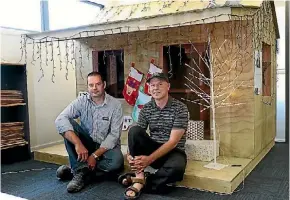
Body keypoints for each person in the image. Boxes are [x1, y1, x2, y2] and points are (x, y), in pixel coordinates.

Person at [119, 72, 189, 199]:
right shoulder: (146, 108)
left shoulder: (180, 108)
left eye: (160, 84)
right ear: (149, 88)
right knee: (134, 130)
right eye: (152, 85)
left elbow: (173, 142)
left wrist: (149, 159)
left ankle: (141, 182)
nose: (156, 88)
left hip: (173, 151)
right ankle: (139, 175)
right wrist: (130, 154)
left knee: (177, 169)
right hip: (153, 147)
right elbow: (135, 134)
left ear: (168, 87)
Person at [55, 71, 124, 193]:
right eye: (91, 85)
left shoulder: (115, 105)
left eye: (98, 84)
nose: (94, 88)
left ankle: (77, 170)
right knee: (68, 124)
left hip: (105, 148)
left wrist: (94, 155)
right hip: (86, 143)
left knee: (117, 162)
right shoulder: (81, 101)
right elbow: (60, 119)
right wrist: (78, 144)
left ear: (104, 84)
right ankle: (82, 171)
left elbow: (114, 136)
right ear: (87, 86)